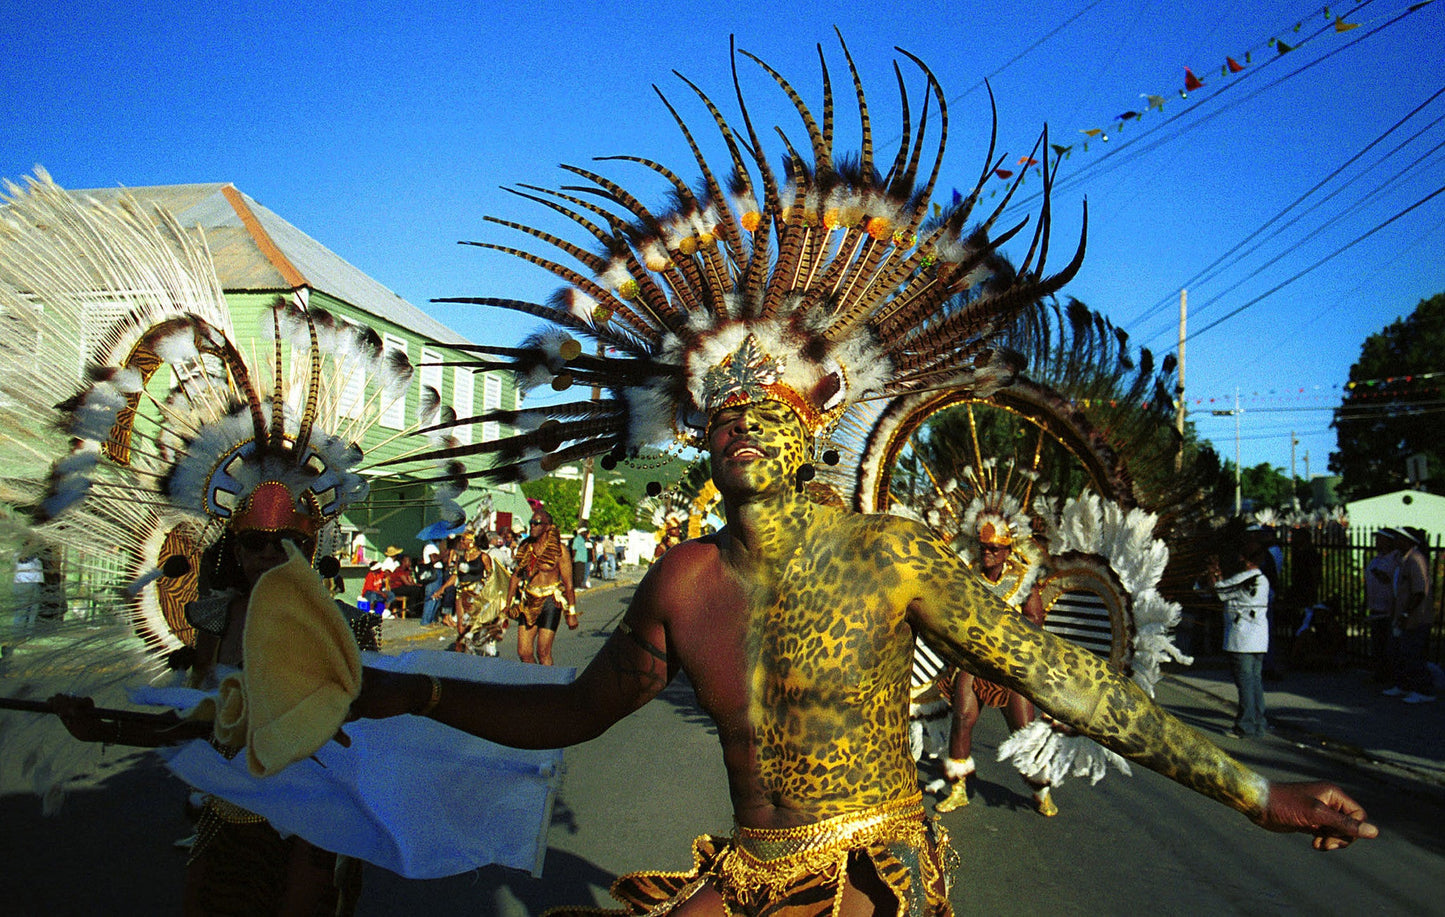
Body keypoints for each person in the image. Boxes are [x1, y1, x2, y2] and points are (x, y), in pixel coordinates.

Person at [363, 41, 1374, 914]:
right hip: (754, 867)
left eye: (769, 406)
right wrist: (401, 691)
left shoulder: (887, 556)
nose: (741, 423)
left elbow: (1061, 675)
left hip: (868, 872)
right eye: (719, 412)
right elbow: (568, 714)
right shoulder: (682, 582)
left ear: (816, 429)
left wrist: (1253, 790)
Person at [934, 506, 1055, 815]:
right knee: (962, 718)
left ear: (1006, 552)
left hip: (1009, 665)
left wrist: (1013, 642)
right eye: (983, 547)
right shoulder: (966, 573)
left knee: (1024, 730)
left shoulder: (1022, 579)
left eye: (994, 549)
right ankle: (958, 789)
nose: (986, 553)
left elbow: (1035, 621)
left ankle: (1041, 791)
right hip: (974, 662)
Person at [1203, 538, 1271, 738]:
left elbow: (1220, 591)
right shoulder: (1263, 579)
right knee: (1256, 681)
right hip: (1259, 638)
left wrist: (1212, 574)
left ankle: (1245, 724)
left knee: (1245, 684)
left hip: (1242, 638)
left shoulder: (1243, 579)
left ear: (1246, 559)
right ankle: (1259, 722)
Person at [505, 508, 577, 665]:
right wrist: (508, 603)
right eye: (531, 523)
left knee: (543, 652)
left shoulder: (560, 550)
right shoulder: (525, 547)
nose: (532, 526)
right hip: (529, 600)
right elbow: (515, 576)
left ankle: (548, 687)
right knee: (524, 652)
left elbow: (569, 584)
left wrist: (571, 613)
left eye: (537, 523)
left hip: (550, 602)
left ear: (548, 527)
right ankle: (533, 682)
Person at [1383, 526, 1436, 704]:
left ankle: (1424, 690)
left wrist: (1407, 612)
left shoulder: (1416, 560)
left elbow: (1419, 591)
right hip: (1402, 615)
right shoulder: (1402, 560)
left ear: (1408, 541)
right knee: (1400, 652)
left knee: (1413, 653)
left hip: (1416, 616)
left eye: (1399, 538)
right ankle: (1404, 685)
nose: (1396, 541)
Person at [1364, 529, 1402, 683]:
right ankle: (1378, 672)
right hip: (1375, 605)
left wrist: (1378, 573)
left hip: (1388, 607)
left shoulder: (1395, 559)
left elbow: (1390, 580)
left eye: (1380, 539)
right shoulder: (1376, 558)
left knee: (1387, 643)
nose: (1377, 541)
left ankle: (1389, 674)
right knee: (1377, 642)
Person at [11, 547, 45, 632]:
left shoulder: (36, 555)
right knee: (23, 610)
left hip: (34, 583)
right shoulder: (22, 554)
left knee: (33, 610)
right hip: (24, 583)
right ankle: (18, 633)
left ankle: (27, 632)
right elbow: (24, 560)